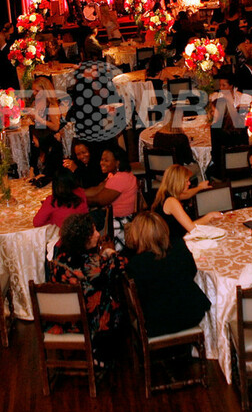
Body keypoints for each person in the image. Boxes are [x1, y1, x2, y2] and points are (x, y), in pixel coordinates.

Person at [48, 212, 125, 368]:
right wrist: (110, 252)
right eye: (93, 232)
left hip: (60, 318)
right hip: (83, 321)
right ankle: (101, 352)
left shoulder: (59, 256)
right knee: (118, 305)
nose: (98, 234)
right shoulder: (92, 266)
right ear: (83, 239)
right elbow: (121, 264)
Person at [125, 212, 211, 336]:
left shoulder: (136, 264)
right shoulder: (179, 246)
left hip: (158, 324)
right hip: (192, 314)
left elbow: (140, 298)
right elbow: (192, 271)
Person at [85, 146, 138, 251]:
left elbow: (99, 200)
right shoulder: (113, 175)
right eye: (102, 160)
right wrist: (76, 193)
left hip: (120, 220)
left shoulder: (120, 178)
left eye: (106, 160)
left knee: (84, 223)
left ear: (117, 163)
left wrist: (77, 200)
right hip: (110, 215)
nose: (102, 163)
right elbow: (97, 189)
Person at [150, 165, 215, 239]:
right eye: (186, 181)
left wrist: (200, 187)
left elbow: (187, 194)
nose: (189, 183)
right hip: (174, 241)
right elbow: (192, 228)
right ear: (178, 183)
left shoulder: (166, 193)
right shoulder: (171, 201)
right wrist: (210, 216)